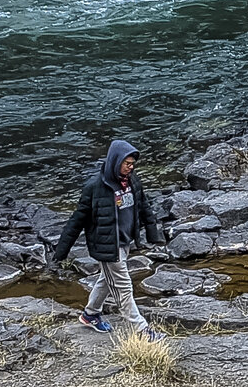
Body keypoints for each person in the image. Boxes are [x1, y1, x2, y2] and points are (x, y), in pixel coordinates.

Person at [49, 138, 165, 331]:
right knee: (123, 288)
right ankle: (142, 330)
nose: (130, 167)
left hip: (125, 241)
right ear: (115, 161)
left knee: (106, 279)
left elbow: (144, 207)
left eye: (132, 164)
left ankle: (90, 314)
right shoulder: (94, 187)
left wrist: (154, 235)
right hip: (106, 246)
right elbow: (76, 221)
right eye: (127, 164)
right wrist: (60, 253)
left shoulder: (133, 181)